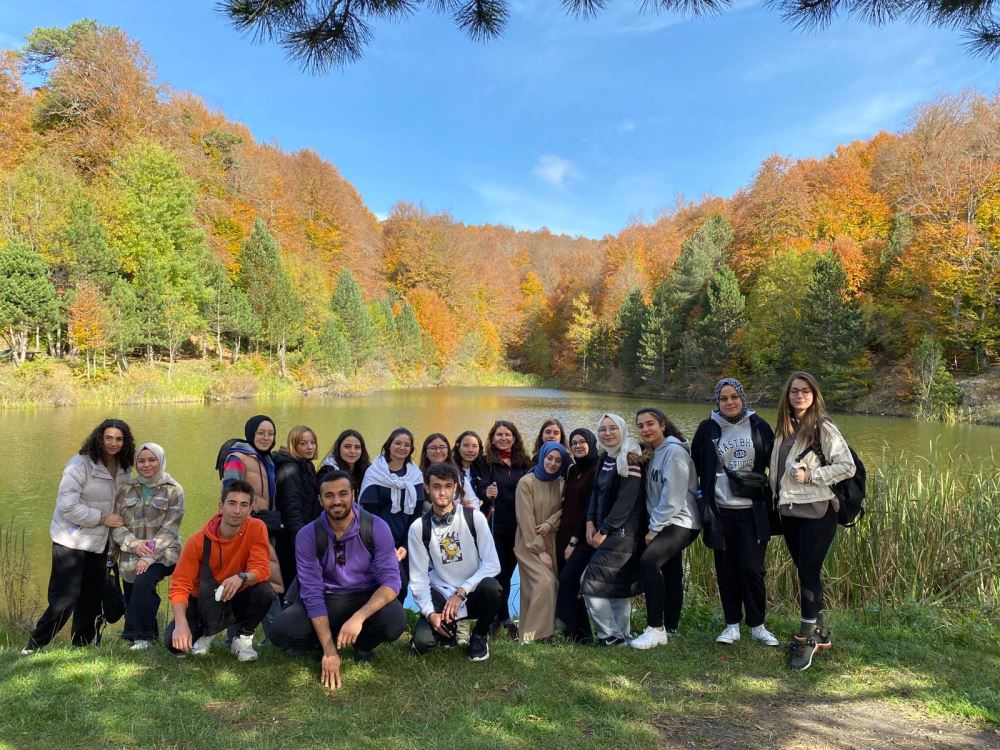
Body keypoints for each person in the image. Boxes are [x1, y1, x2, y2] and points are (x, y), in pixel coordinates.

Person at [270, 471, 407, 688]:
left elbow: (391, 582)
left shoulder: (376, 527)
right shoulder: (308, 535)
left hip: (364, 597)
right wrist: (329, 650)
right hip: (327, 597)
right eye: (329, 495)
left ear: (354, 494)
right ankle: (326, 640)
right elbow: (312, 593)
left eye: (343, 494)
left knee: (396, 620)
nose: (336, 501)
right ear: (320, 500)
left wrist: (359, 618)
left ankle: (363, 644)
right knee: (280, 630)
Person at [23, 419, 135, 654]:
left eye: (119, 439)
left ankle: (81, 647)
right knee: (64, 599)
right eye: (108, 438)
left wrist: (114, 542)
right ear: (99, 438)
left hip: (100, 543)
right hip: (71, 540)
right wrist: (103, 518)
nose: (113, 443)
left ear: (125, 442)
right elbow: (67, 506)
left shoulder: (125, 469)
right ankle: (34, 645)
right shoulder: (80, 465)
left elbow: (121, 508)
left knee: (91, 599)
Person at [770, 371, 856, 671]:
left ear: (815, 395)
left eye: (806, 391)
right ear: (787, 395)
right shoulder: (783, 427)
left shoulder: (823, 428)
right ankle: (820, 632)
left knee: (808, 574)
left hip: (818, 511)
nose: (800, 396)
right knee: (804, 571)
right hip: (791, 511)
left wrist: (812, 476)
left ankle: (807, 638)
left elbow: (847, 466)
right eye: (794, 391)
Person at [691, 378, 779, 648]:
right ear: (717, 401)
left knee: (752, 569)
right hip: (720, 511)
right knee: (726, 569)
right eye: (723, 398)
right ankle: (731, 625)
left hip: (752, 511)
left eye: (734, 397)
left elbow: (773, 463)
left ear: (742, 398)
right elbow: (695, 463)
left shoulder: (759, 426)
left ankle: (757, 625)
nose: (729, 402)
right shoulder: (707, 428)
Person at [165, 480, 274, 662]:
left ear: (251, 508)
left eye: (244, 504)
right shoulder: (197, 541)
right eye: (232, 503)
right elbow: (179, 584)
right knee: (174, 644)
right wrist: (181, 624)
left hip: (235, 594)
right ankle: (206, 633)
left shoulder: (256, 528)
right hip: (202, 601)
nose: (237, 510)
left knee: (265, 590)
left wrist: (242, 577)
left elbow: (262, 568)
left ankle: (242, 639)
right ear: (221, 506)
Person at [408, 463, 501, 662]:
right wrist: (430, 613)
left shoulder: (474, 518)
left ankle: (478, 636)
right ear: (427, 488)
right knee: (422, 643)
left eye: (448, 486)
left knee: (492, 588)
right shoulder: (418, 528)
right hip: (441, 590)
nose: (442, 492)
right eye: (436, 486)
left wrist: (462, 592)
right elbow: (418, 578)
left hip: (472, 591)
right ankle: (446, 627)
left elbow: (493, 564)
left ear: (456, 488)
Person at [630, 408, 701, 650]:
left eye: (650, 424)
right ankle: (670, 627)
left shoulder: (674, 452)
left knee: (649, 562)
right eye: (640, 426)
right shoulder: (654, 452)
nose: (645, 429)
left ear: (662, 425)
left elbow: (673, 496)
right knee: (671, 573)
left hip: (681, 521)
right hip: (666, 521)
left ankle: (655, 629)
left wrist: (653, 529)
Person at [111, 442, 185, 651]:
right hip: (131, 553)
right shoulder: (125, 490)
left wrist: (149, 554)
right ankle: (150, 634)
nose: (146, 465)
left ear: (160, 461)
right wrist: (134, 546)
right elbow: (117, 526)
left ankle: (139, 637)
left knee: (144, 579)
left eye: (152, 460)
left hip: (165, 553)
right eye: (141, 461)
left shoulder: (174, 490)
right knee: (133, 593)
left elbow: (170, 529)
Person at [581, 413, 645, 646]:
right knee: (614, 586)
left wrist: (604, 530)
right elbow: (595, 495)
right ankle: (622, 637)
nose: (607, 433)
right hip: (604, 529)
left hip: (622, 534)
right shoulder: (605, 458)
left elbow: (626, 501)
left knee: (589, 584)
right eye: (603, 430)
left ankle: (609, 634)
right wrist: (589, 521)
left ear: (622, 430)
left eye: (612, 428)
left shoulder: (630, 458)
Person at [476, 420, 532, 632]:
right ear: (492, 438)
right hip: (496, 526)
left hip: (519, 527)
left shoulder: (524, 463)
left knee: (509, 573)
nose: (503, 438)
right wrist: (486, 493)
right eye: (499, 435)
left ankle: (501, 616)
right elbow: (480, 489)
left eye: (507, 435)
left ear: (515, 438)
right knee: (499, 572)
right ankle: (502, 617)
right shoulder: (486, 462)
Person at [359, 427, 424, 603]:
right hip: (376, 542)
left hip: (405, 542)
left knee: (402, 588)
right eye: (398, 443)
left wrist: (404, 545)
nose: (402, 448)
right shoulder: (375, 473)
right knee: (388, 585)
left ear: (411, 449)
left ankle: (395, 625)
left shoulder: (415, 476)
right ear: (388, 445)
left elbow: (416, 517)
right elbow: (369, 516)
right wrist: (386, 546)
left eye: (407, 445)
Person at [221, 415, 284, 598]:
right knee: (262, 582)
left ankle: (243, 626)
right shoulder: (237, 458)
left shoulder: (266, 459)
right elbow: (230, 495)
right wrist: (242, 524)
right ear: (251, 434)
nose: (266, 438)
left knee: (253, 584)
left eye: (271, 434)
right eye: (261, 433)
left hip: (263, 528)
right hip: (244, 529)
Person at [514, 441, 569, 643]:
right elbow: (525, 518)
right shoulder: (526, 482)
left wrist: (550, 523)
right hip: (529, 543)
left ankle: (543, 632)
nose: (553, 463)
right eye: (549, 458)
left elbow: (565, 510)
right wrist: (539, 549)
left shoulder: (561, 483)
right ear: (542, 457)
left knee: (546, 585)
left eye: (558, 460)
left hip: (553, 541)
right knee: (544, 583)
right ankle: (533, 635)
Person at [555, 428, 599, 642]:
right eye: (574, 443)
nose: (578, 446)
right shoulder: (573, 470)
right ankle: (584, 636)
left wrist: (574, 541)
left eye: (583, 441)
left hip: (583, 538)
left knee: (568, 579)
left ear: (591, 443)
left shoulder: (597, 469)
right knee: (568, 583)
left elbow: (589, 509)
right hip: (565, 535)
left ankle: (569, 633)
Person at [274, 425, 320, 587]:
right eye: (303, 443)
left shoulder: (307, 466)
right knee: (294, 582)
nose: (310, 447)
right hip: (293, 538)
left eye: (312, 442)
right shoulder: (289, 469)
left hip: (308, 532)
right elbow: (291, 509)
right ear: (294, 445)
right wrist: (301, 541)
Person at [319, 429, 371, 493]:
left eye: (357, 447)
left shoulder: (368, 469)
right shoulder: (328, 471)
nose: (352, 451)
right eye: (347, 447)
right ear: (338, 448)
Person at [453, 430, 487, 511]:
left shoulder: (481, 469)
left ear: (479, 448)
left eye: (474, 446)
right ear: (458, 447)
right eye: (466, 445)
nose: (470, 450)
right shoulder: (451, 470)